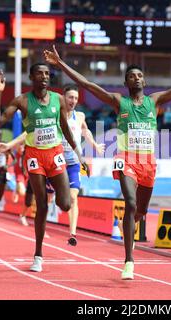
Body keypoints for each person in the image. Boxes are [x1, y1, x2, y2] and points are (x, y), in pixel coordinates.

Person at [43, 45, 171, 279]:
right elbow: (88, 85)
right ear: (126, 82)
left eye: (140, 75)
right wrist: (60, 64)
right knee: (130, 203)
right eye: (132, 76)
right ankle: (129, 262)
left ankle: (129, 228)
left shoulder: (155, 101)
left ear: (144, 81)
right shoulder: (118, 102)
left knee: (140, 210)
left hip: (148, 163)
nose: (137, 78)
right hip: (126, 160)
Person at [0, 63, 88, 273]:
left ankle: (52, 186)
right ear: (31, 76)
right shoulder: (22, 101)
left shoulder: (58, 99)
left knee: (65, 204)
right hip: (34, 156)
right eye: (39, 73)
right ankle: (38, 255)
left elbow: (65, 128)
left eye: (47, 73)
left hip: (55, 155)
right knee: (42, 206)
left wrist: (79, 156)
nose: (44, 76)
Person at [61, 84, 105, 246]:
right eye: (70, 97)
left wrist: (95, 145)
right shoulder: (55, 115)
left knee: (73, 197)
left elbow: (85, 131)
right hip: (56, 164)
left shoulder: (79, 116)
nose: (73, 101)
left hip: (73, 163)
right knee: (54, 198)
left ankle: (72, 233)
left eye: (76, 98)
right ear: (63, 97)